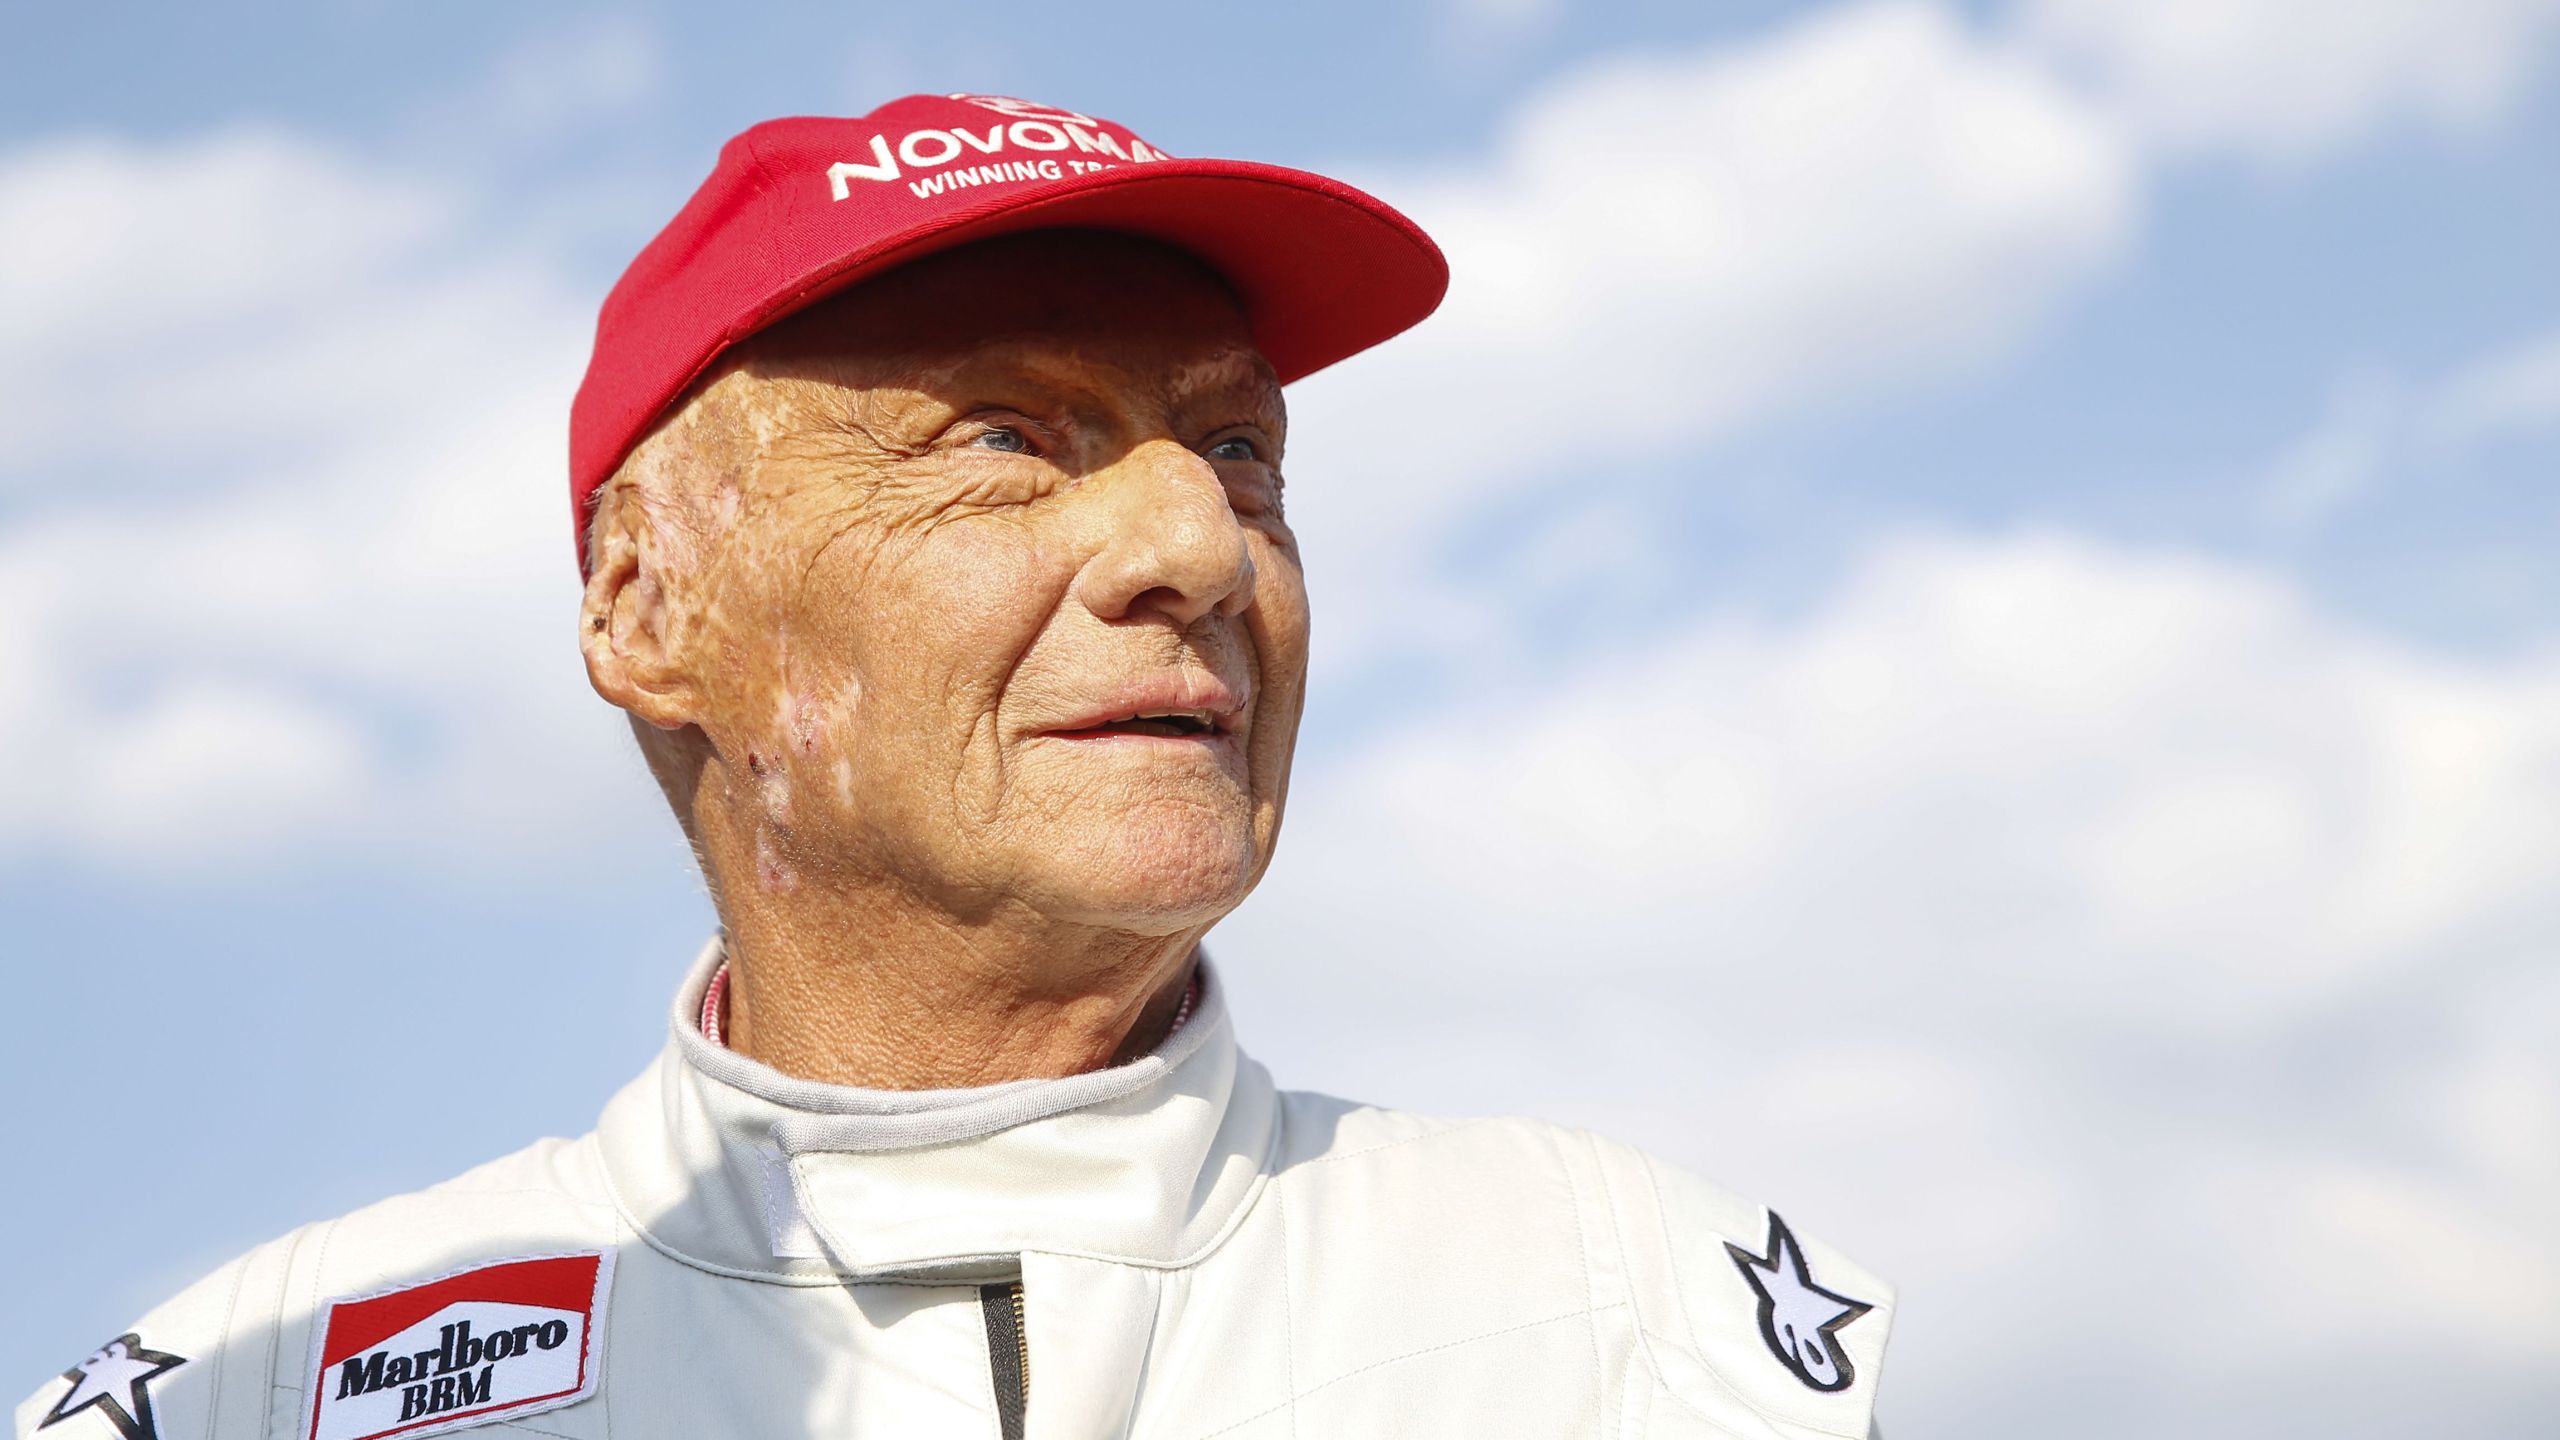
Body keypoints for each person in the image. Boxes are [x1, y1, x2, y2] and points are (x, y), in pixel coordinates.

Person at [18, 93, 1893, 1440]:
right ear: (646, 604)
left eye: (1243, 455)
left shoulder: (1646, 1322)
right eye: (1003, 437)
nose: (1198, 545)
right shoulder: (265, 1388)